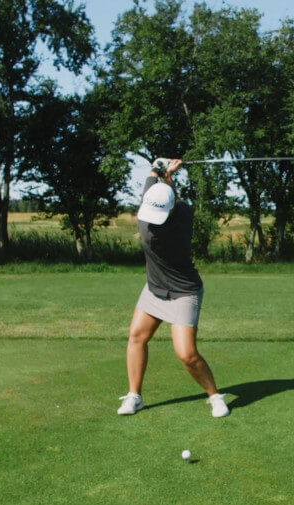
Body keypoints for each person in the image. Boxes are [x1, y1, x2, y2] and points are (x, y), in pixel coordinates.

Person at [117, 158, 229, 418]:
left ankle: (215, 396)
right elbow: (165, 193)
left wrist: (159, 168)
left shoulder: (158, 228)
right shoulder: (182, 211)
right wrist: (167, 174)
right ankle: (135, 396)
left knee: (186, 354)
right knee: (136, 337)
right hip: (155, 288)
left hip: (183, 292)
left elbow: (153, 183)